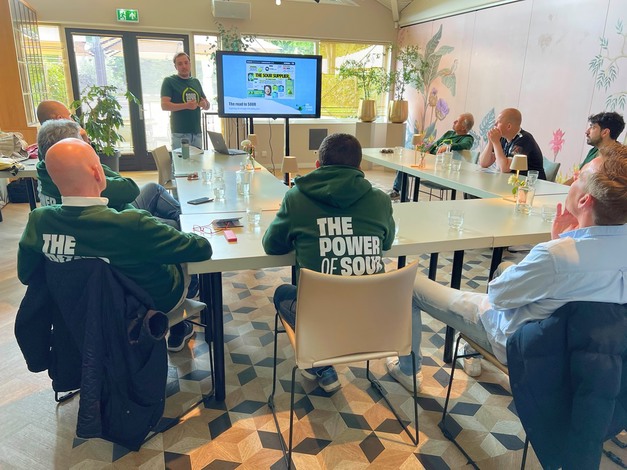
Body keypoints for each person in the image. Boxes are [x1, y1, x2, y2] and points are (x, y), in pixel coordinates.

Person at [387, 144, 627, 389]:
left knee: (409, 283)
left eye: (579, 176)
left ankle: (408, 371)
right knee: (504, 267)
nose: (574, 178)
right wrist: (560, 243)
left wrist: (555, 244)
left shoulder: (556, 256)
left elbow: (498, 297)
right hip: (584, 353)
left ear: (584, 200)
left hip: (519, 343)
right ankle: (469, 349)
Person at [18, 138, 213, 351]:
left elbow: (27, 275)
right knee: (177, 253)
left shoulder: (38, 221)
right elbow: (201, 248)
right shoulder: (132, 223)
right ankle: (185, 327)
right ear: (98, 173)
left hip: (77, 313)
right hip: (151, 305)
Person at [262, 133, 397, 392]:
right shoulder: (381, 200)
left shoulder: (296, 198)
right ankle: (323, 363)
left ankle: (322, 365)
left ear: (317, 165)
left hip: (321, 320)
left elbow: (272, 245)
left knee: (283, 293)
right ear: (359, 167)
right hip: (372, 318)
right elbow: (387, 242)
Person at [36, 118, 182, 228]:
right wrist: (91, 159)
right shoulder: (83, 180)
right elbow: (130, 189)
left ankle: (184, 217)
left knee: (153, 188)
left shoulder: (44, 168)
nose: (89, 142)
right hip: (119, 220)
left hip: (113, 210)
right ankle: (185, 221)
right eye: (83, 141)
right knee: (173, 224)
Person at [389, 113, 475, 199]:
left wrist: (449, 147)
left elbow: (466, 145)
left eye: (457, 121)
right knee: (403, 166)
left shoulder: (468, 138)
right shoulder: (449, 133)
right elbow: (436, 144)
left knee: (405, 167)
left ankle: (398, 193)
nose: (454, 122)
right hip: (430, 160)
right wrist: (428, 151)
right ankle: (401, 195)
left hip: (440, 167)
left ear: (463, 127)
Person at [478, 108, 546, 180]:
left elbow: (505, 168)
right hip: (513, 181)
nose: (495, 124)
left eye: (499, 122)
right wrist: (490, 141)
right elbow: (483, 163)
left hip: (531, 183)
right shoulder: (502, 138)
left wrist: (496, 142)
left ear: (509, 126)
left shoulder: (524, 139)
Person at [161, 52, 210, 150]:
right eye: (180, 64)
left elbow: (207, 105)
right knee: (182, 160)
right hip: (180, 133)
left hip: (196, 133)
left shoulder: (195, 82)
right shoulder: (169, 81)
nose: (184, 66)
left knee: (198, 159)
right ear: (175, 67)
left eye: (186, 63)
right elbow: (164, 105)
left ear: (190, 64)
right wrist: (186, 105)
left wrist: (204, 104)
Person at [564, 111, 625, 185]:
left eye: (593, 127)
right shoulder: (594, 151)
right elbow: (577, 178)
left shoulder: (618, 160)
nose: (587, 132)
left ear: (605, 132)